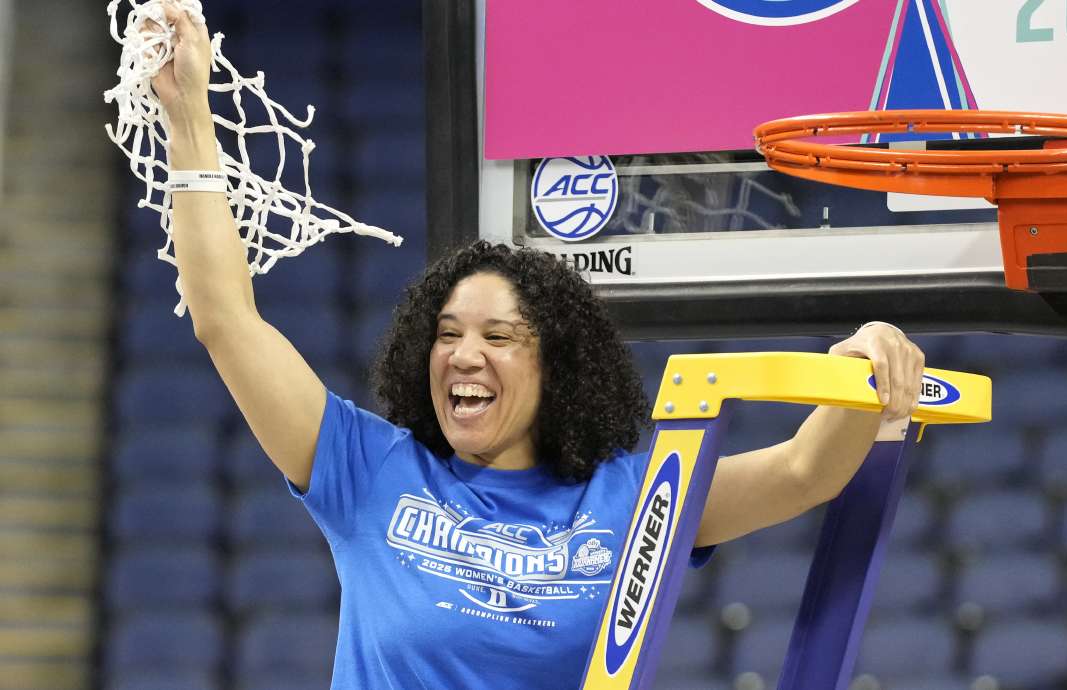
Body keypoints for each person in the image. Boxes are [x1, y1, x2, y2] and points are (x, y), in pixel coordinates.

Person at [149, 4, 926, 688]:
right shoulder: (368, 470)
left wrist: (865, 357)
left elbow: (803, 470)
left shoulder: (630, 500)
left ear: (554, 369)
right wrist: (189, 121)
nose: (463, 354)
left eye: (498, 337)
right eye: (447, 335)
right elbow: (226, 318)